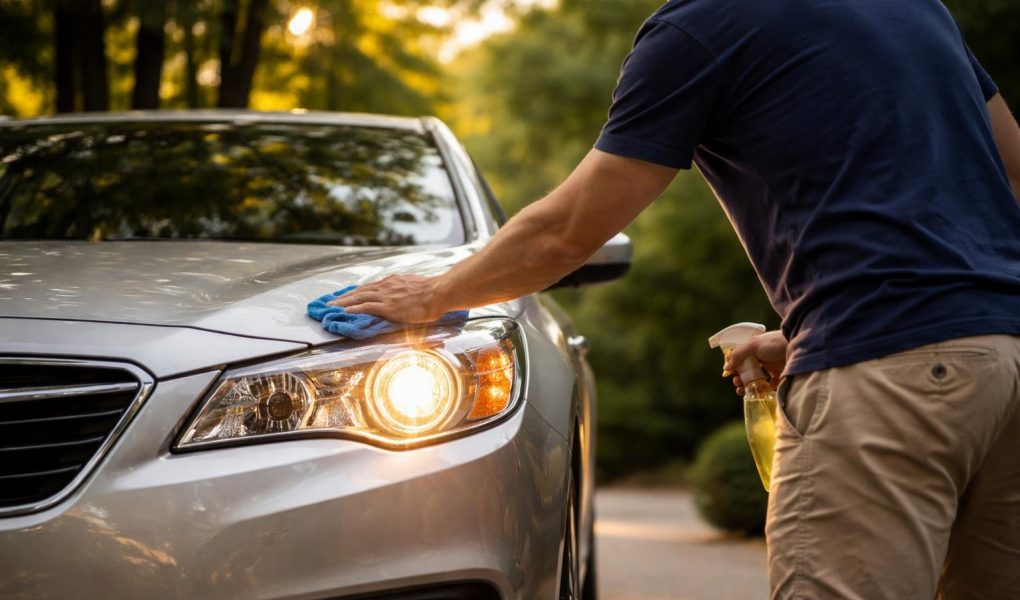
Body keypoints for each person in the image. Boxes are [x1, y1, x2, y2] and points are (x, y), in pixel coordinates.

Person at [330, 0, 1020, 597]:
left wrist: (435, 293)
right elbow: (1010, 176)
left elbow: (568, 231)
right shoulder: (915, 8)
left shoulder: (701, 28)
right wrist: (802, 332)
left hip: (891, 376)